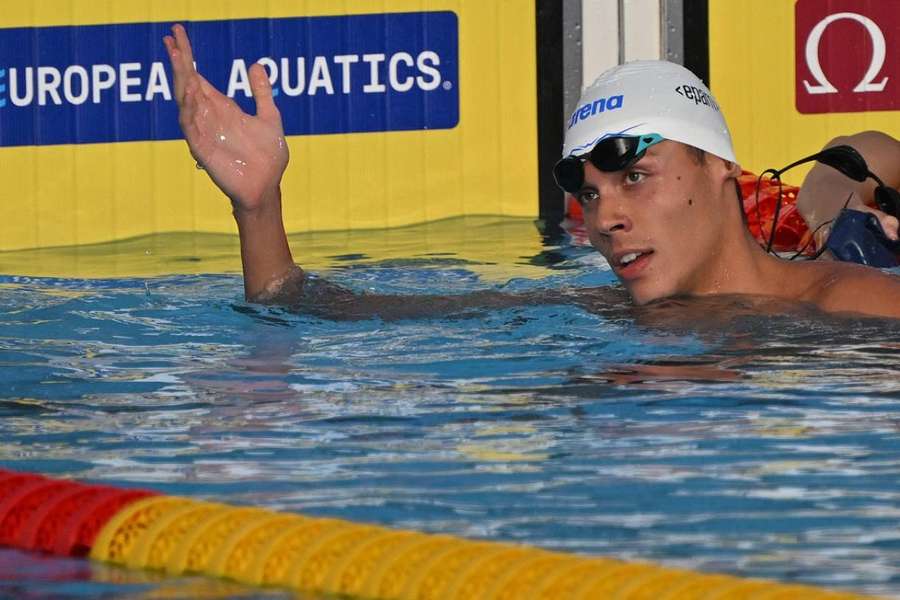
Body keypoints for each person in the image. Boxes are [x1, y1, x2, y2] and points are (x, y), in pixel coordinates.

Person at [162, 25, 900, 320]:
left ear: (718, 169)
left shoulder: (857, 304)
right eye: (588, 194)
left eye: (634, 176)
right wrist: (259, 209)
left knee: (849, 178)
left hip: (833, 238)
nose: (605, 218)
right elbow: (314, 307)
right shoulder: (596, 312)